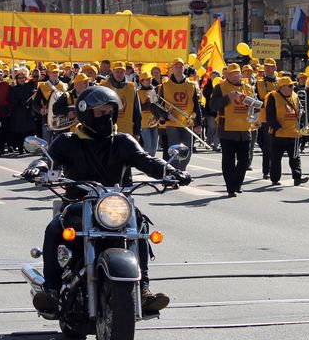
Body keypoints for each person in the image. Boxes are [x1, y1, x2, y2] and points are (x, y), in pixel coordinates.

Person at [21, 86, 191, 315]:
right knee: (54, 228)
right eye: (101, 112)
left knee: (139, 224)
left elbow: (146, 160)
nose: (107, 117)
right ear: (85, 113)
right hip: (79, 204)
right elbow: (49, 160)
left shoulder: (123, 141)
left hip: (115, 205)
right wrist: (37, 168)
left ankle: (143, 289)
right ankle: (51, 290)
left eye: (110, 112)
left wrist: (171, 171)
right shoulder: (68, 141)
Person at [209, 63, 255, 197]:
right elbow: (213, 106)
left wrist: (255, 112)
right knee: (228, 161)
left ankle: (237, 183)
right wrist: (228, 97)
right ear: (227, 75)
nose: (235, 76)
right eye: (232, 73)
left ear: (241, 74)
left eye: (237, 73)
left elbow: (254, 106)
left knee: (244, 160)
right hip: (227, 129)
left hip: (244, 129)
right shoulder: (220, 87)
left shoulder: (248, 87)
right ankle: (231, 188)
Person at [157, 58, 202, 171]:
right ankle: (176, 174)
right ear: (172, 69)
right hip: (172, 123)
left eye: (180, 67)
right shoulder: (165, 85)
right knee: (175, 151)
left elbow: (196, 105)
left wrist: (199, 123)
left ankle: (181, 171)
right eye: (176, 67)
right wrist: (166, 115)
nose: (178, 69)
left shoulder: (191, 85)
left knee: (187, 152)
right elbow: (158, 105)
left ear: (184, 68)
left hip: (187, 123)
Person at [265, 76, 309, 187]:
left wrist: (301, 112)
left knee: (295, 157)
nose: (293, 87)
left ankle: (297, 178)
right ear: (282, 87)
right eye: (290, 85)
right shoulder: (273, 96)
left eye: (292, 85)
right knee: (276, 158)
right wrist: (277, 127)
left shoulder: (295, 96)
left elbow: (300, 107)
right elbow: (269, 115)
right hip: (278, 134)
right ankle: (275, 179)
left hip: (293, 132)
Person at [254, 59, 281, 179]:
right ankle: (267, 169)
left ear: (275, 68)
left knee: (272, 145)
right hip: (264, 117)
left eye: (270, 67)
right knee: (265, 144)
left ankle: (268, 170)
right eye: (266, 67)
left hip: (279, 116)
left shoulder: (280, 82)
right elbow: (256, 98)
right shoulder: (259, 82)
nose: (268, 69)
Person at [101, 61, 142, 140]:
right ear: (112, 72)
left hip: (126, 131)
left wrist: (137, 132)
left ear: (125, 72)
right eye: (117, 71)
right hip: (106, 131)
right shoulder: (103, 86)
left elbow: (137, 112)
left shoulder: (131, 88)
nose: (119, 74)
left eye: (122, 72)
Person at [9, 69, 39, 152]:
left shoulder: (29, 87)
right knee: (19, 131)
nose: (21, 79)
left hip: (28, 112)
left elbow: (33, 97)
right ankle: (20, 148)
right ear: (17, 79)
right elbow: (11, 99)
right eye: (19, 78)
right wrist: (19, 102)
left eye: (22, 77)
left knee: (29, 131)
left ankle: (28, 147)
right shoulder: (14, 89)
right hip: (18, 112)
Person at [137, 72, 161, 156]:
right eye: (147, 79)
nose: (149, 81)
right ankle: (146, 161)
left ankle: (152, 161)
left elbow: (157, 106)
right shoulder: (138, 92)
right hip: (144, 122)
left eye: (150, 79)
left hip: (155, 121)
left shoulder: (154, 91)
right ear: (141, 81)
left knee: (154, 146)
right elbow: (140, 107)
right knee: (148, 146)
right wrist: (149, 103)